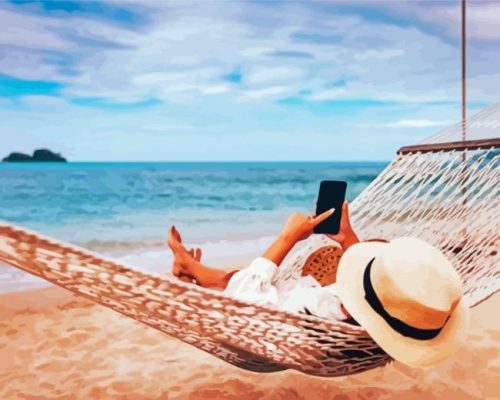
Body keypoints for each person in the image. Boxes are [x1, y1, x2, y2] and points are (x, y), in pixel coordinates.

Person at [167, 201, 469, 367]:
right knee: (247, 280)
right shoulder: (406, 315)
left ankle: (191, 279)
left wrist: (288, 239)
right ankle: (196, 272)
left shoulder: (318, 322)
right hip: (309, 300)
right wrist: (348, 239)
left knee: (248, 281)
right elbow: (381, 293)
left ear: (349, 304)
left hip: (269, 312)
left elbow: (244, 302)